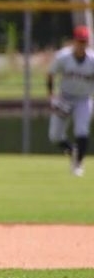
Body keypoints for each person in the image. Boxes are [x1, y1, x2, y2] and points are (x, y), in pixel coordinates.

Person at [47, 24, 94, 176]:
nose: (82, 44)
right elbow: (50, 74)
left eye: (84, 41)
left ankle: (78, 164)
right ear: (74, 41)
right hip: (65, 97)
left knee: (82, 131)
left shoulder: (92, 60)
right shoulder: (63, 57)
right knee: (55, 136)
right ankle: (73, 150)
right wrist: (52, 97)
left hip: (83, 99)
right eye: (80, 41)